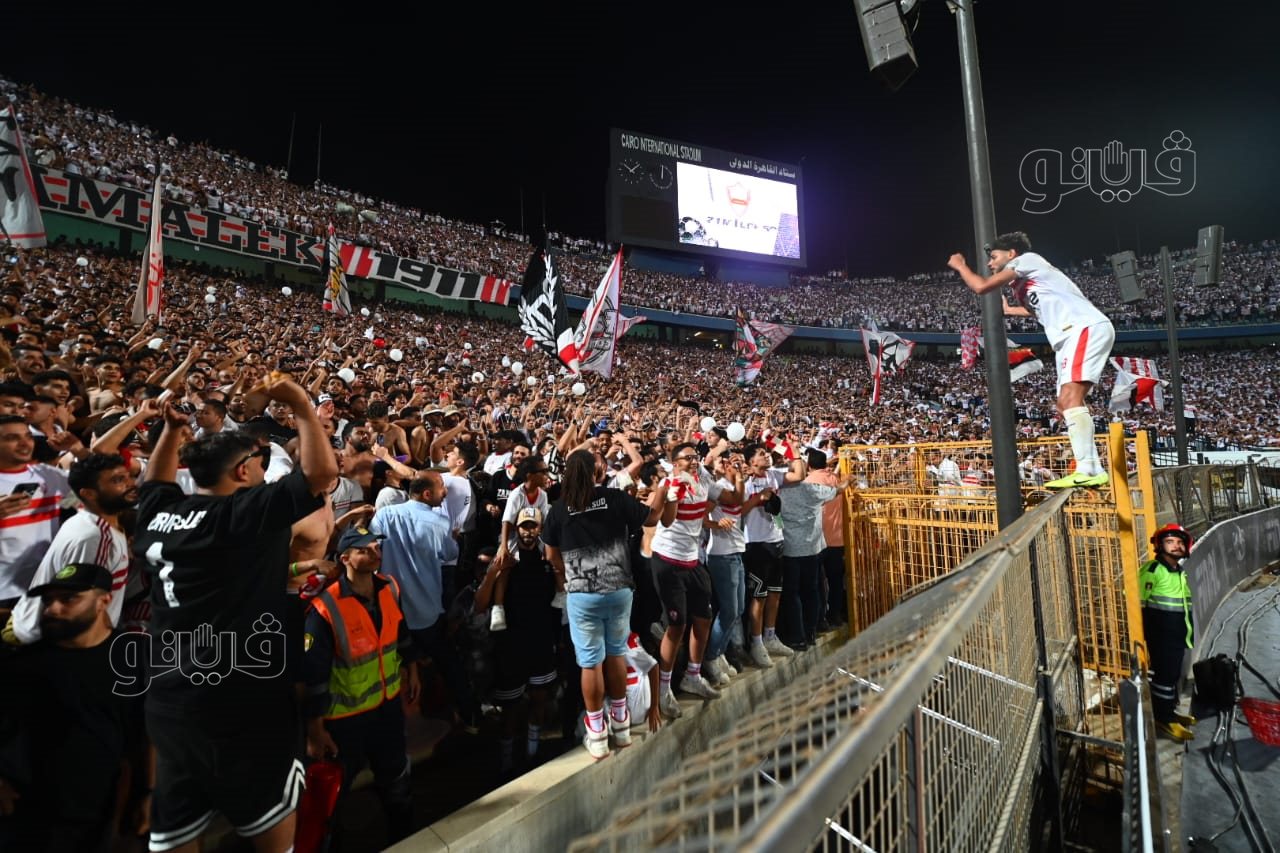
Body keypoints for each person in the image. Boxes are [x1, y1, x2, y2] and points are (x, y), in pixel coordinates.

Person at [131, 376, 337, 853]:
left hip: (171, 699)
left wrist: (171, 431)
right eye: (260, 463)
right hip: (243, 699)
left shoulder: (160, 514)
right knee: (272, 837)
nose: (265, 471)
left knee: (177, 835)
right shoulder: (243, 514)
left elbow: (155, 483)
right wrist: (301, 405)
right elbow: (320, 476)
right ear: (243, 471)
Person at [0, 562, 149, 853]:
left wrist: (148, 793)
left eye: (68, 599)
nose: (53, 609)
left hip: (101, 819)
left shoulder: (132, 660)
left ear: (104, 601)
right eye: (48, 601)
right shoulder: (21, 663)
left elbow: (148, 735)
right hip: (23, 819)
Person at [947, 231, 1115, 489]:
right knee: (1064, 404)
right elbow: (1036, 308)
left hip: (1081, 328)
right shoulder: (1023, 285)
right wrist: (1008, 310)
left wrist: (961, 266)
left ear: (1011, 254)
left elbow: (981, 287)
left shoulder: (1027, 260)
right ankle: (1091, 468)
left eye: (994, 257)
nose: (990, 263)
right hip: (1068, 336)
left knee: (1070, 399)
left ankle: (1089, 469)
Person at [541, 449, 667, 760]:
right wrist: (665, 490)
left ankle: (597, 732)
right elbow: (653, 517)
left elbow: (551, 555)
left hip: (582, 594)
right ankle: (621, 726)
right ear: (597, 473)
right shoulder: (614, 498)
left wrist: (568, 574)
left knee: (590, 663)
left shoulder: (558, 509)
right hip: (619, 591)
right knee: (615, 654)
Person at [302, 525, 420, 845]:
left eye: (375, 547)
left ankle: (405, 841)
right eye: (364, 550)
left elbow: (401, 632)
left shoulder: (389, 587)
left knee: (396, 782)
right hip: (346, 721)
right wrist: (315, 730)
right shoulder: (325, 607)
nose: (374, 553)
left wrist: (412, 668)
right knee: (333, 797)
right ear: (345, 559)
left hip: (387, 708)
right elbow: (314, 676)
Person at [10, 452, 137, 642]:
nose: (130, 484)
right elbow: (75, 607)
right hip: (51, 640)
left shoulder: (92, 521)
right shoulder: (94, 538)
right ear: (89, 493)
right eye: (118, 480)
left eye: (128, 477)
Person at [472, 507, 560, 774]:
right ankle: (506, 763)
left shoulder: (548, 559)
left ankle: (533, 754)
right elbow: (479, 605)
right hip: (510, 646)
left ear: (541, 529)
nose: (528, 531)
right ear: (516, 529)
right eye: (524, 526)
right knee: (510, 710)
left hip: (541, 641)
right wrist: (493, 573)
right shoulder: (506, 559)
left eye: (533, 526)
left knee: (539, 700)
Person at [1138, 524, 1196, 741]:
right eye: (1170, 542)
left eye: (1180, 542)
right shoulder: (1154, 570)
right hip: (1161, 635)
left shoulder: (1178, 571)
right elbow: (1136, 599)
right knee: (1163, 677)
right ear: (1160, 546)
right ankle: (1163, 718)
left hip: (1177, 634)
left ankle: (1169, 712)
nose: (1176, 546)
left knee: (1171, 675)